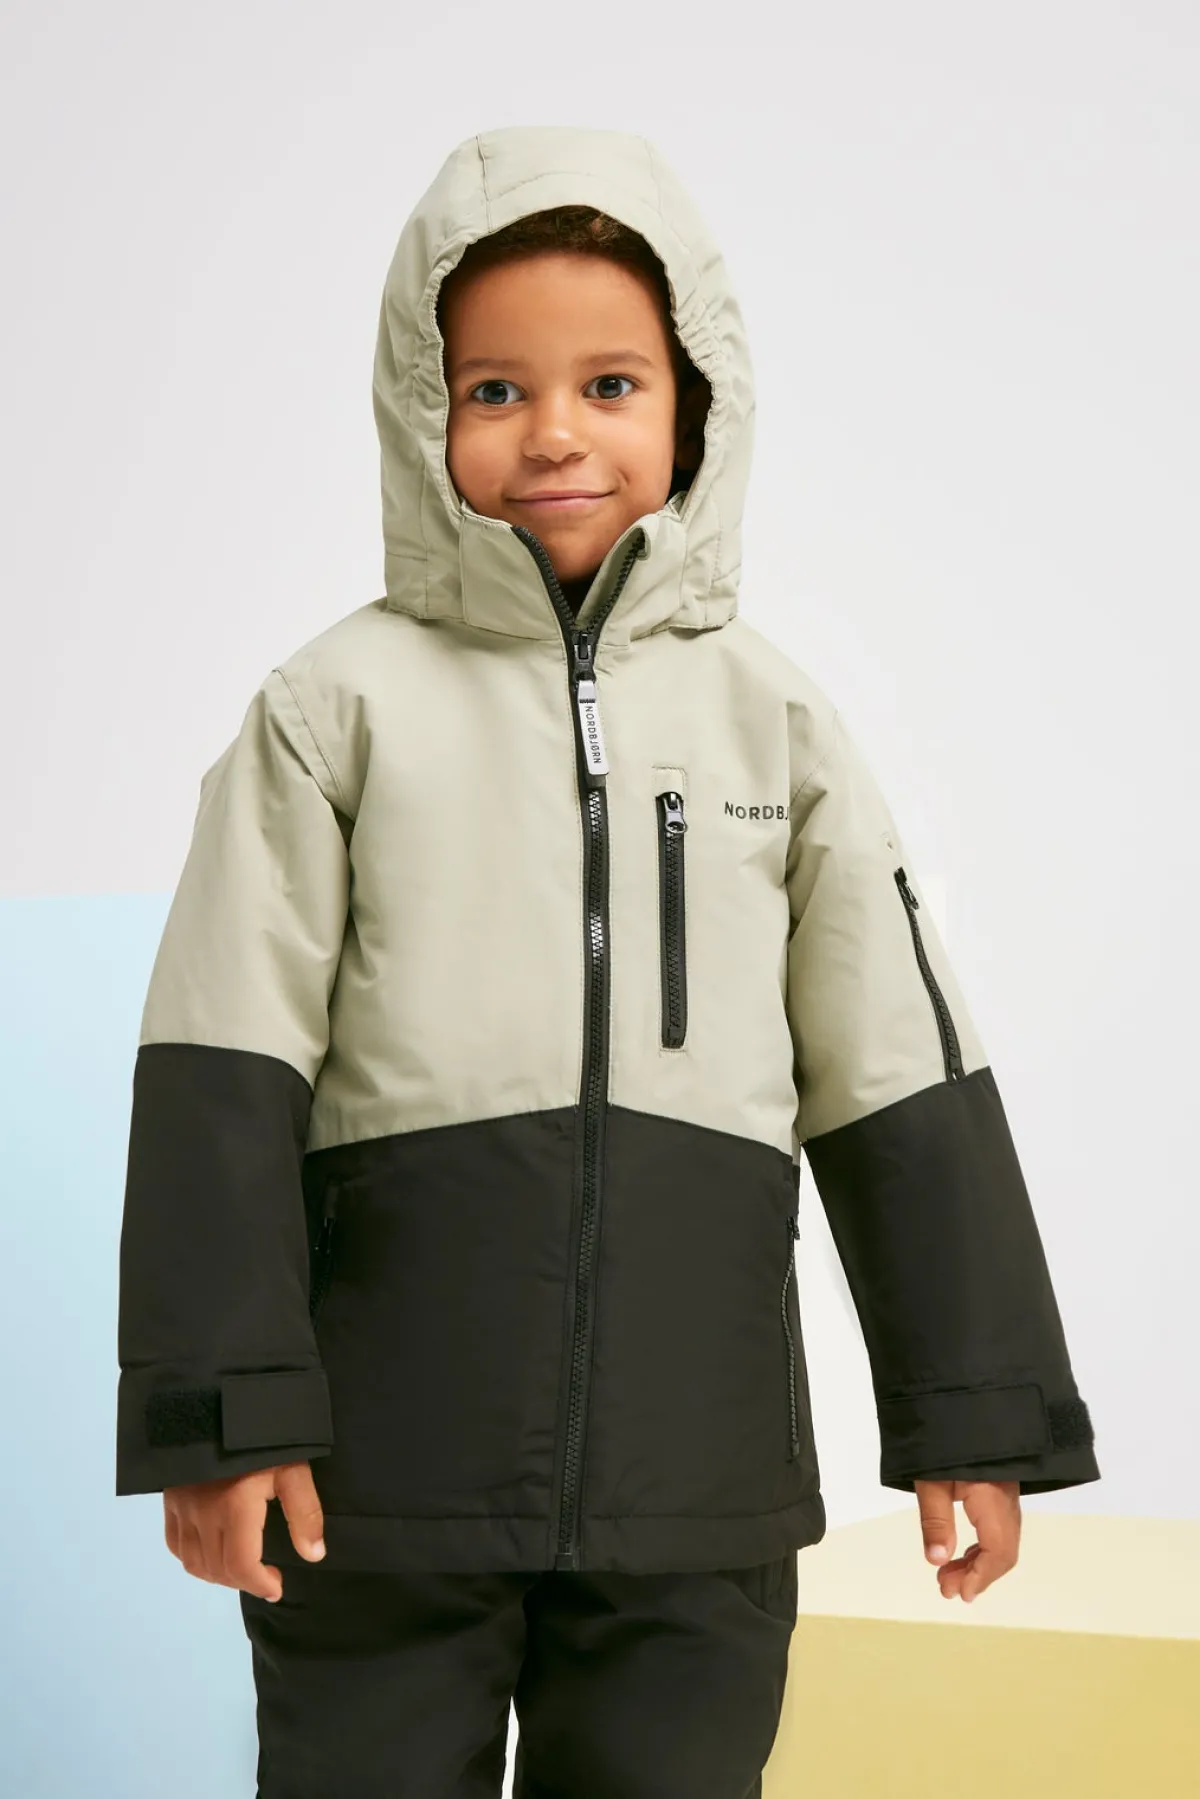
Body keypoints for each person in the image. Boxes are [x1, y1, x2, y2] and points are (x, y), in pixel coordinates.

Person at [114, 125, 1099, 1798]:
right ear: (421, 410)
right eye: (494, 389)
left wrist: (976, 1413)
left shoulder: (777, 725)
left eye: (611, 385)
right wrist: (226, 1417)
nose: (555, 431)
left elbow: (898, 1074)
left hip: (694, 1493)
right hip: (378, 1484)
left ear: (694, 409)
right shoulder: (330, 714)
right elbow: (222, 1065)